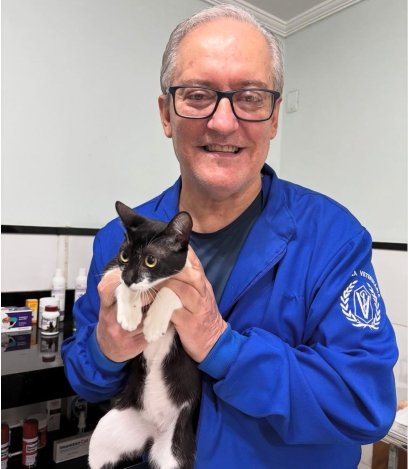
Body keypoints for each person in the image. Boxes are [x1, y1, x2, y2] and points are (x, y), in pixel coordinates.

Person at [62, 4, 398, 468]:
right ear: (166, 115)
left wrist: (222, 345)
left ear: (274, 117)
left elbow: (363, 405)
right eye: (198, 95)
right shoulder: (118, 242)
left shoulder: (332, 239)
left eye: (251, 97)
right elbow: (84, 378)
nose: (223, 122)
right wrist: (106, 349)